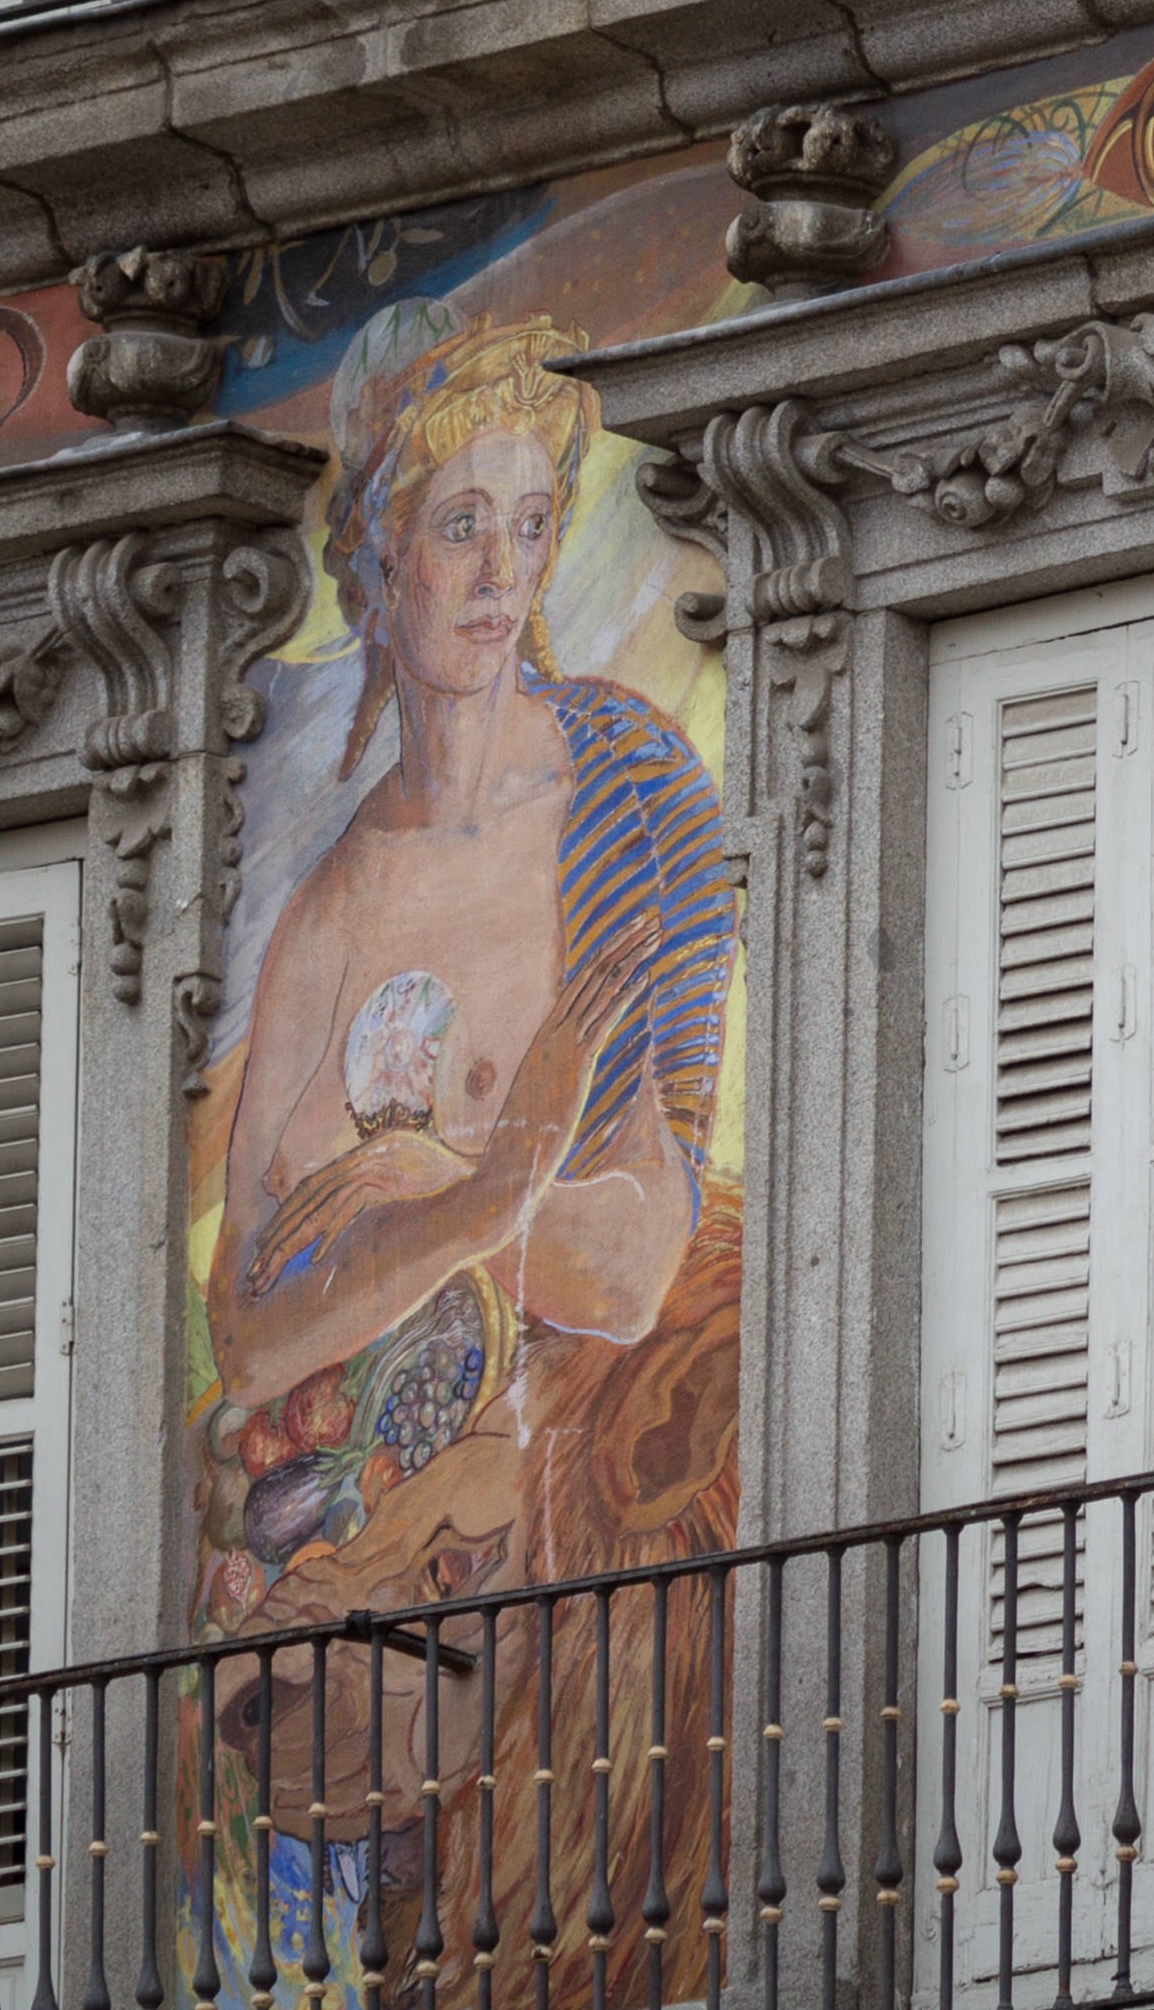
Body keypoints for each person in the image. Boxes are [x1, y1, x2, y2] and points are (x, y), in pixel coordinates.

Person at [190, 304, 736, 1986]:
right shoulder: (326, 903)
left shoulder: (638, 800)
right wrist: (476, 1191)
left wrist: (406, 1212)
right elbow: (250, 1331)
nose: (502, 573)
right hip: (354, 1586)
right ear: (376, 559)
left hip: (552, 1548)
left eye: (532, 523)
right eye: (459, 526)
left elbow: (632, 1265)